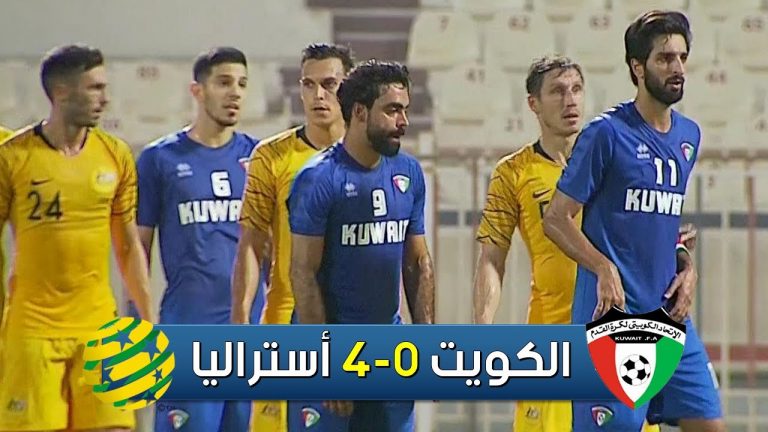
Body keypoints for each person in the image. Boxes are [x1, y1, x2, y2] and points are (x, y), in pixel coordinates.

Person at [542, 10, 724, 432]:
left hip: (671, 316)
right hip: (613, 320)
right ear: (637, 67)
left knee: (710, 426)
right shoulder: (606, 133)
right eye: (665, 58)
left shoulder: (689, 136)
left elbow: (658, 220)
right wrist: (603, 267)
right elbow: (556, 218)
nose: (677, 68)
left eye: (682, 58)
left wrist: (687, 266)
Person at [0, 44, 151, 432]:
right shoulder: (12, 157)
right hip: (32, 332)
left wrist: (148, 322)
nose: (105, 98)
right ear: (62, 92)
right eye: (95, 88)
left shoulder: (115, 155)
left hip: (99, 327)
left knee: (116, 427)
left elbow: (128, 245)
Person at [287, 60, 434, 432]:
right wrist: (326, 363)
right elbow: (303, 273)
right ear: (359, 112)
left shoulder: (409, 173)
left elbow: (417, 263)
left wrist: (427, 341)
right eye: (392, 110)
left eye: (405, 110)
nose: (403, 121)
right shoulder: (319, 179)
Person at [231, 43, 354, 431]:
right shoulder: (271, 156)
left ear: (350, 88)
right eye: (308, 84)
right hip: (285, 323)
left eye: (330, 84)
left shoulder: (374, 157)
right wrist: (240, 319)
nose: (318, 95)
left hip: (353, 327)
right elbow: (251, 242)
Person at [134, 47, 257, 432]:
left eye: (242, 84)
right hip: (188, 331)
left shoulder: (260, 158)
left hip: (251, 334)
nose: (235, 93)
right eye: (224, 82)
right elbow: (137, 249)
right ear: (197, 90)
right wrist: (138, 325)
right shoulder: (160, 159)